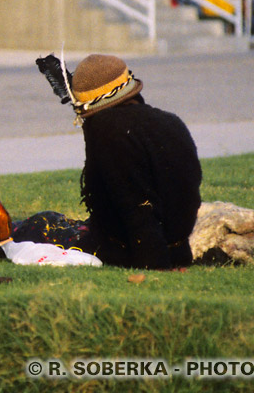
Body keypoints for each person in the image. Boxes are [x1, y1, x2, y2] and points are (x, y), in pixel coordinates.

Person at [16, 54, 202, 270]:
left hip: (132, 251)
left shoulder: (109, 132)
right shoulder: (170, 121)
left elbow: (138, 208)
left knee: (37, 226)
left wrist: (156, 265)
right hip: (177, 247)